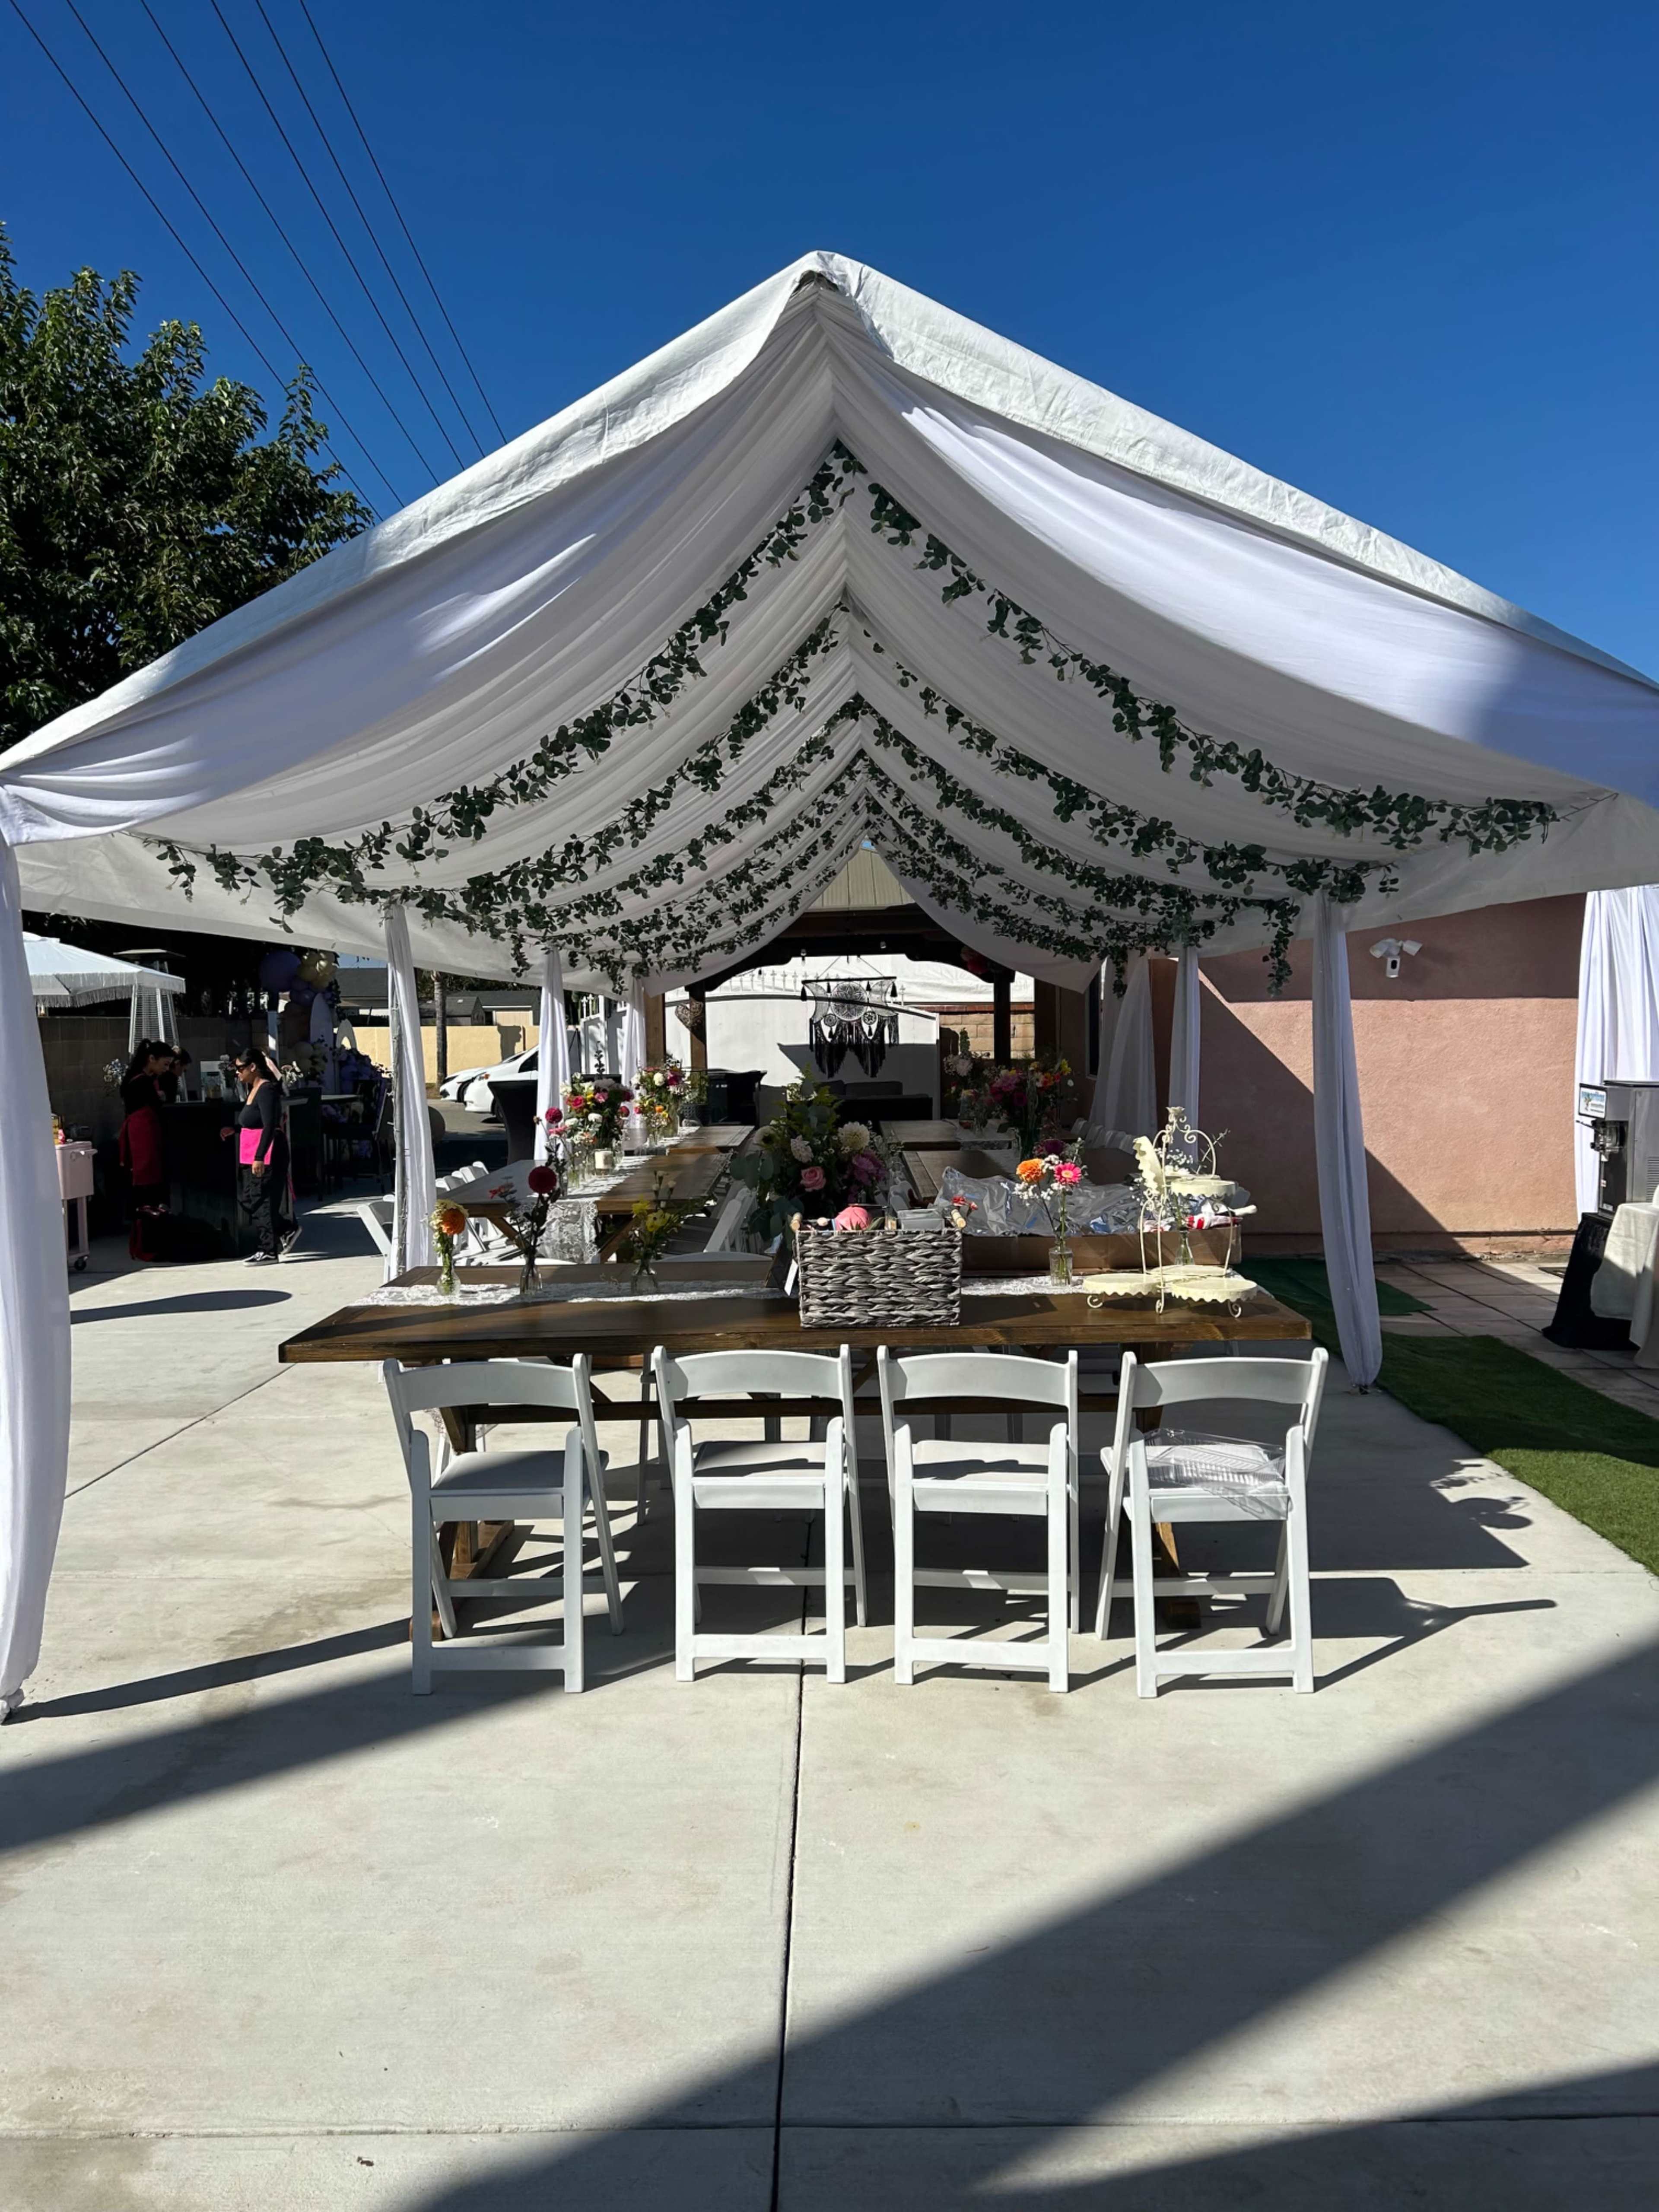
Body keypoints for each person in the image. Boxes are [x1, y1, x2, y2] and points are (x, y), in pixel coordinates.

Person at [222, 1048, 299, 1263]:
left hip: (266, 1154)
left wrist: (260, 1156)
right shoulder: (253, 1089)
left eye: (240, 1069)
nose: (237, 1073)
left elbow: (269, 1126)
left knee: (262, 1200)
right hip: (250, 1152)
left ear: (253, 1067)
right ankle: (286, 1228)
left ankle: (268, 1249)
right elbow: (253, 1121)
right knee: (248, 1198)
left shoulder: (266, 1090)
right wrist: (235, 1129)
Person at [117, 1040, 172, 1255]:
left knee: (145, 1183)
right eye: (165, 1065)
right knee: (147, 1184)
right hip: (143, 1136)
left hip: (142, 1134)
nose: (166, 1070)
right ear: (152, 1060)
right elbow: (156, 1105)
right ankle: (146, 1242)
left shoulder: (138, 1079)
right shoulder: (141, 1083)